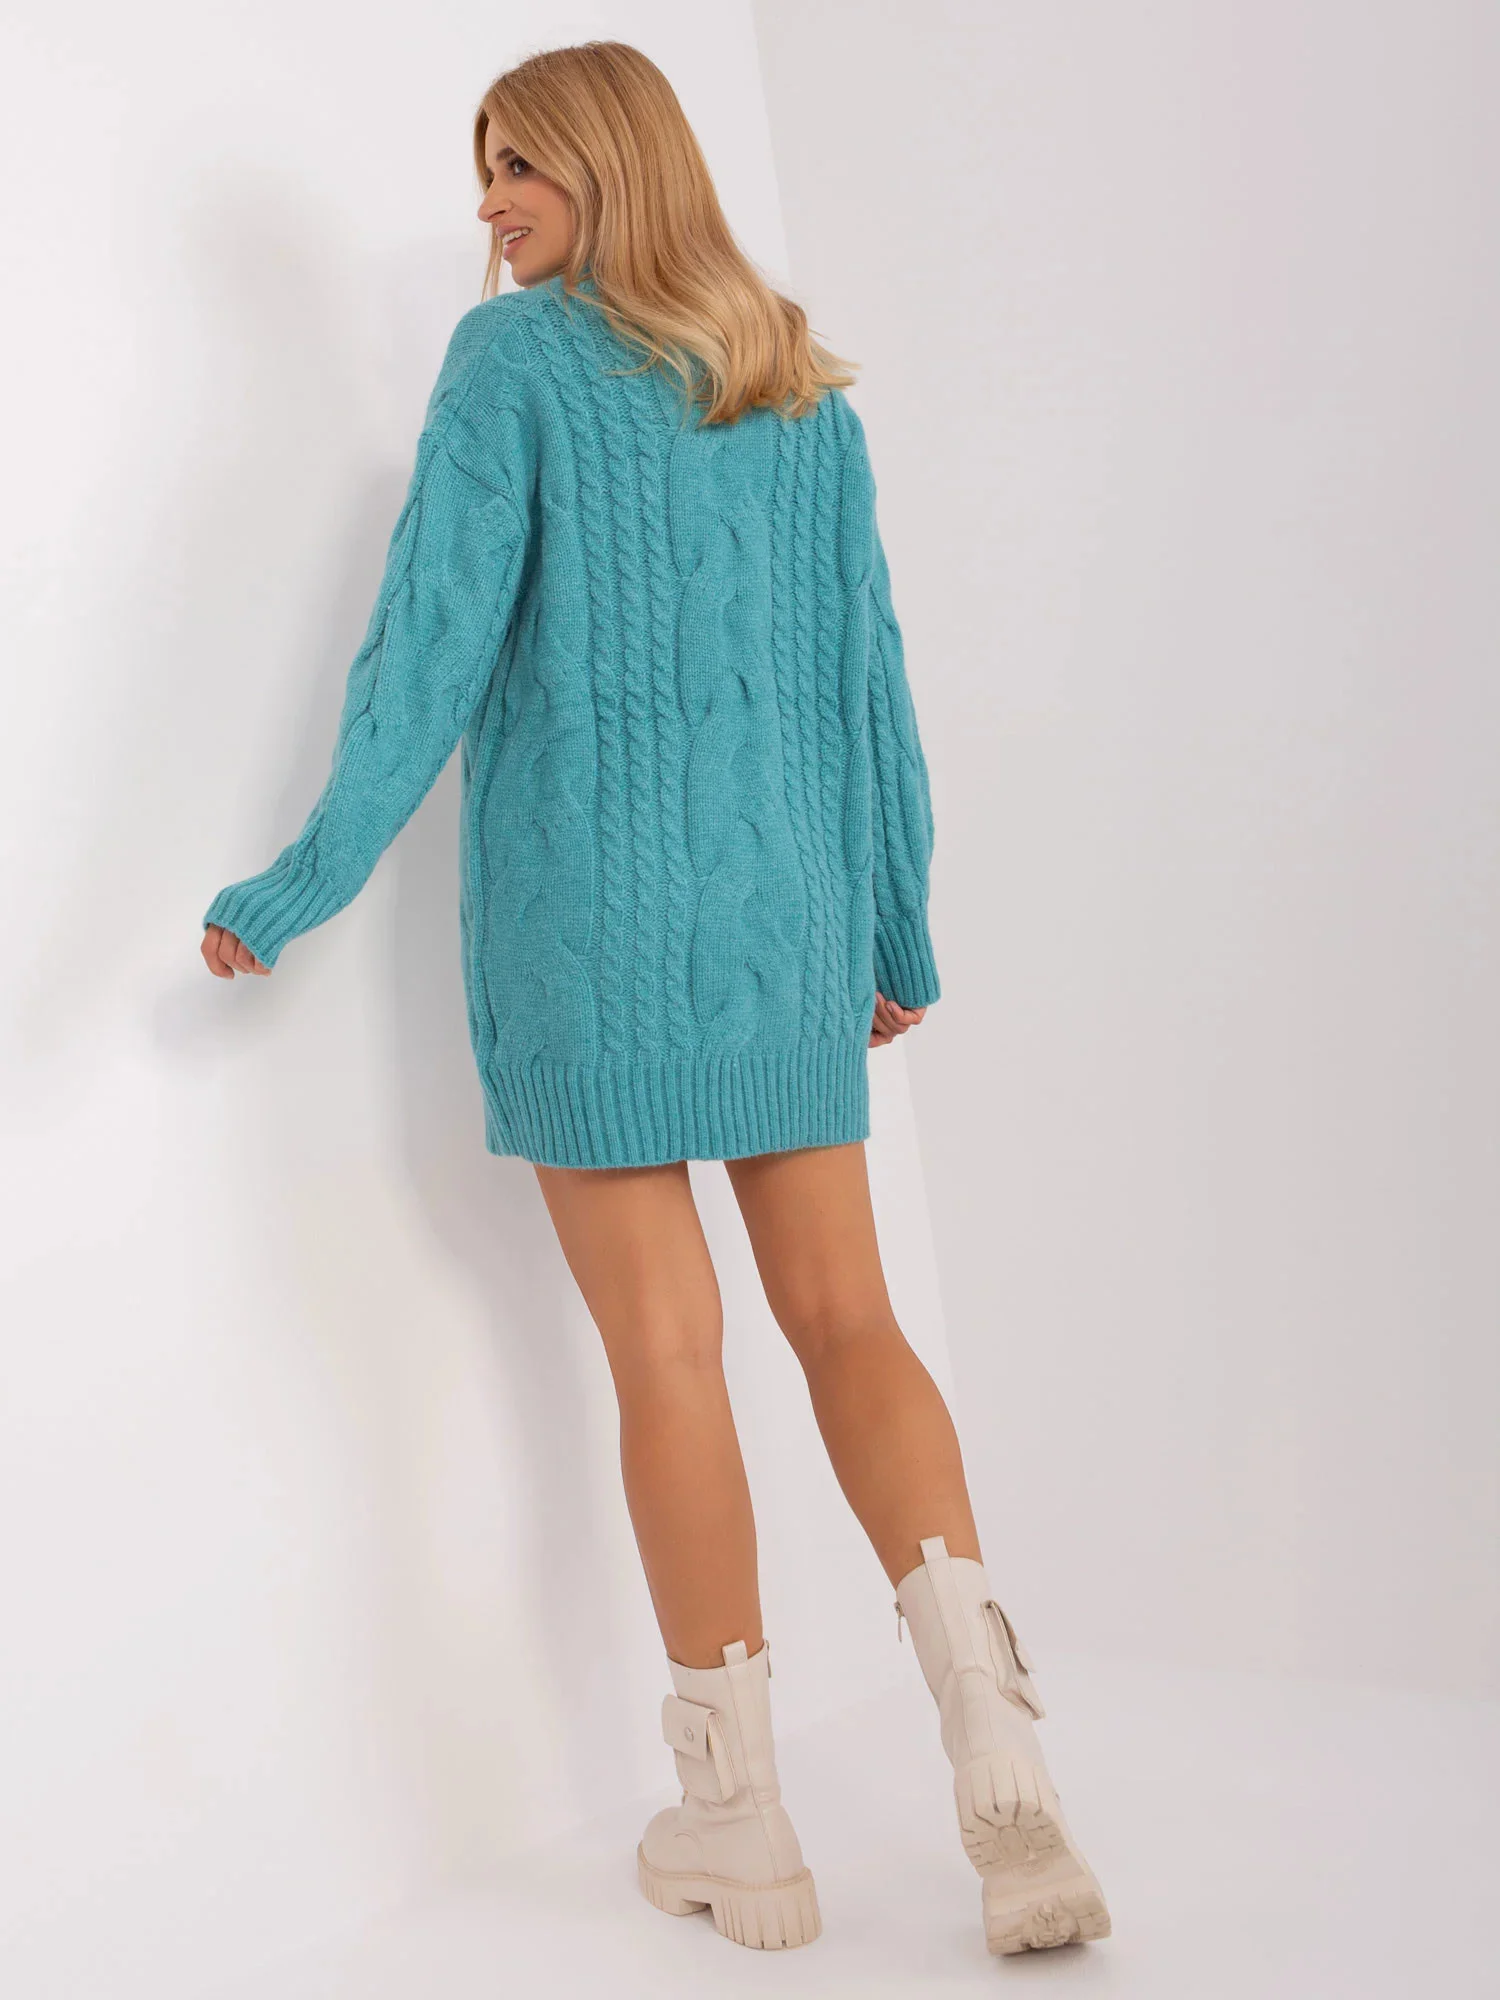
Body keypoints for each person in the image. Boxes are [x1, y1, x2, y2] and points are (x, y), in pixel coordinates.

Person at [198, 39, 1109, 1959]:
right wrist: (891, 926)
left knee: (669, 1355)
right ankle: (999, 1742)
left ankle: (739, 1823)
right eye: (484, 171)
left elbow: (429, 652)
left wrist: (301, 882)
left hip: (588, 944)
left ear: (615, 162)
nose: (493, 204)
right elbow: (869, 684)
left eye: (523, 165)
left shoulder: (512, 366)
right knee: (852, 1322)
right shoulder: (795, 379)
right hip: (786, 931)